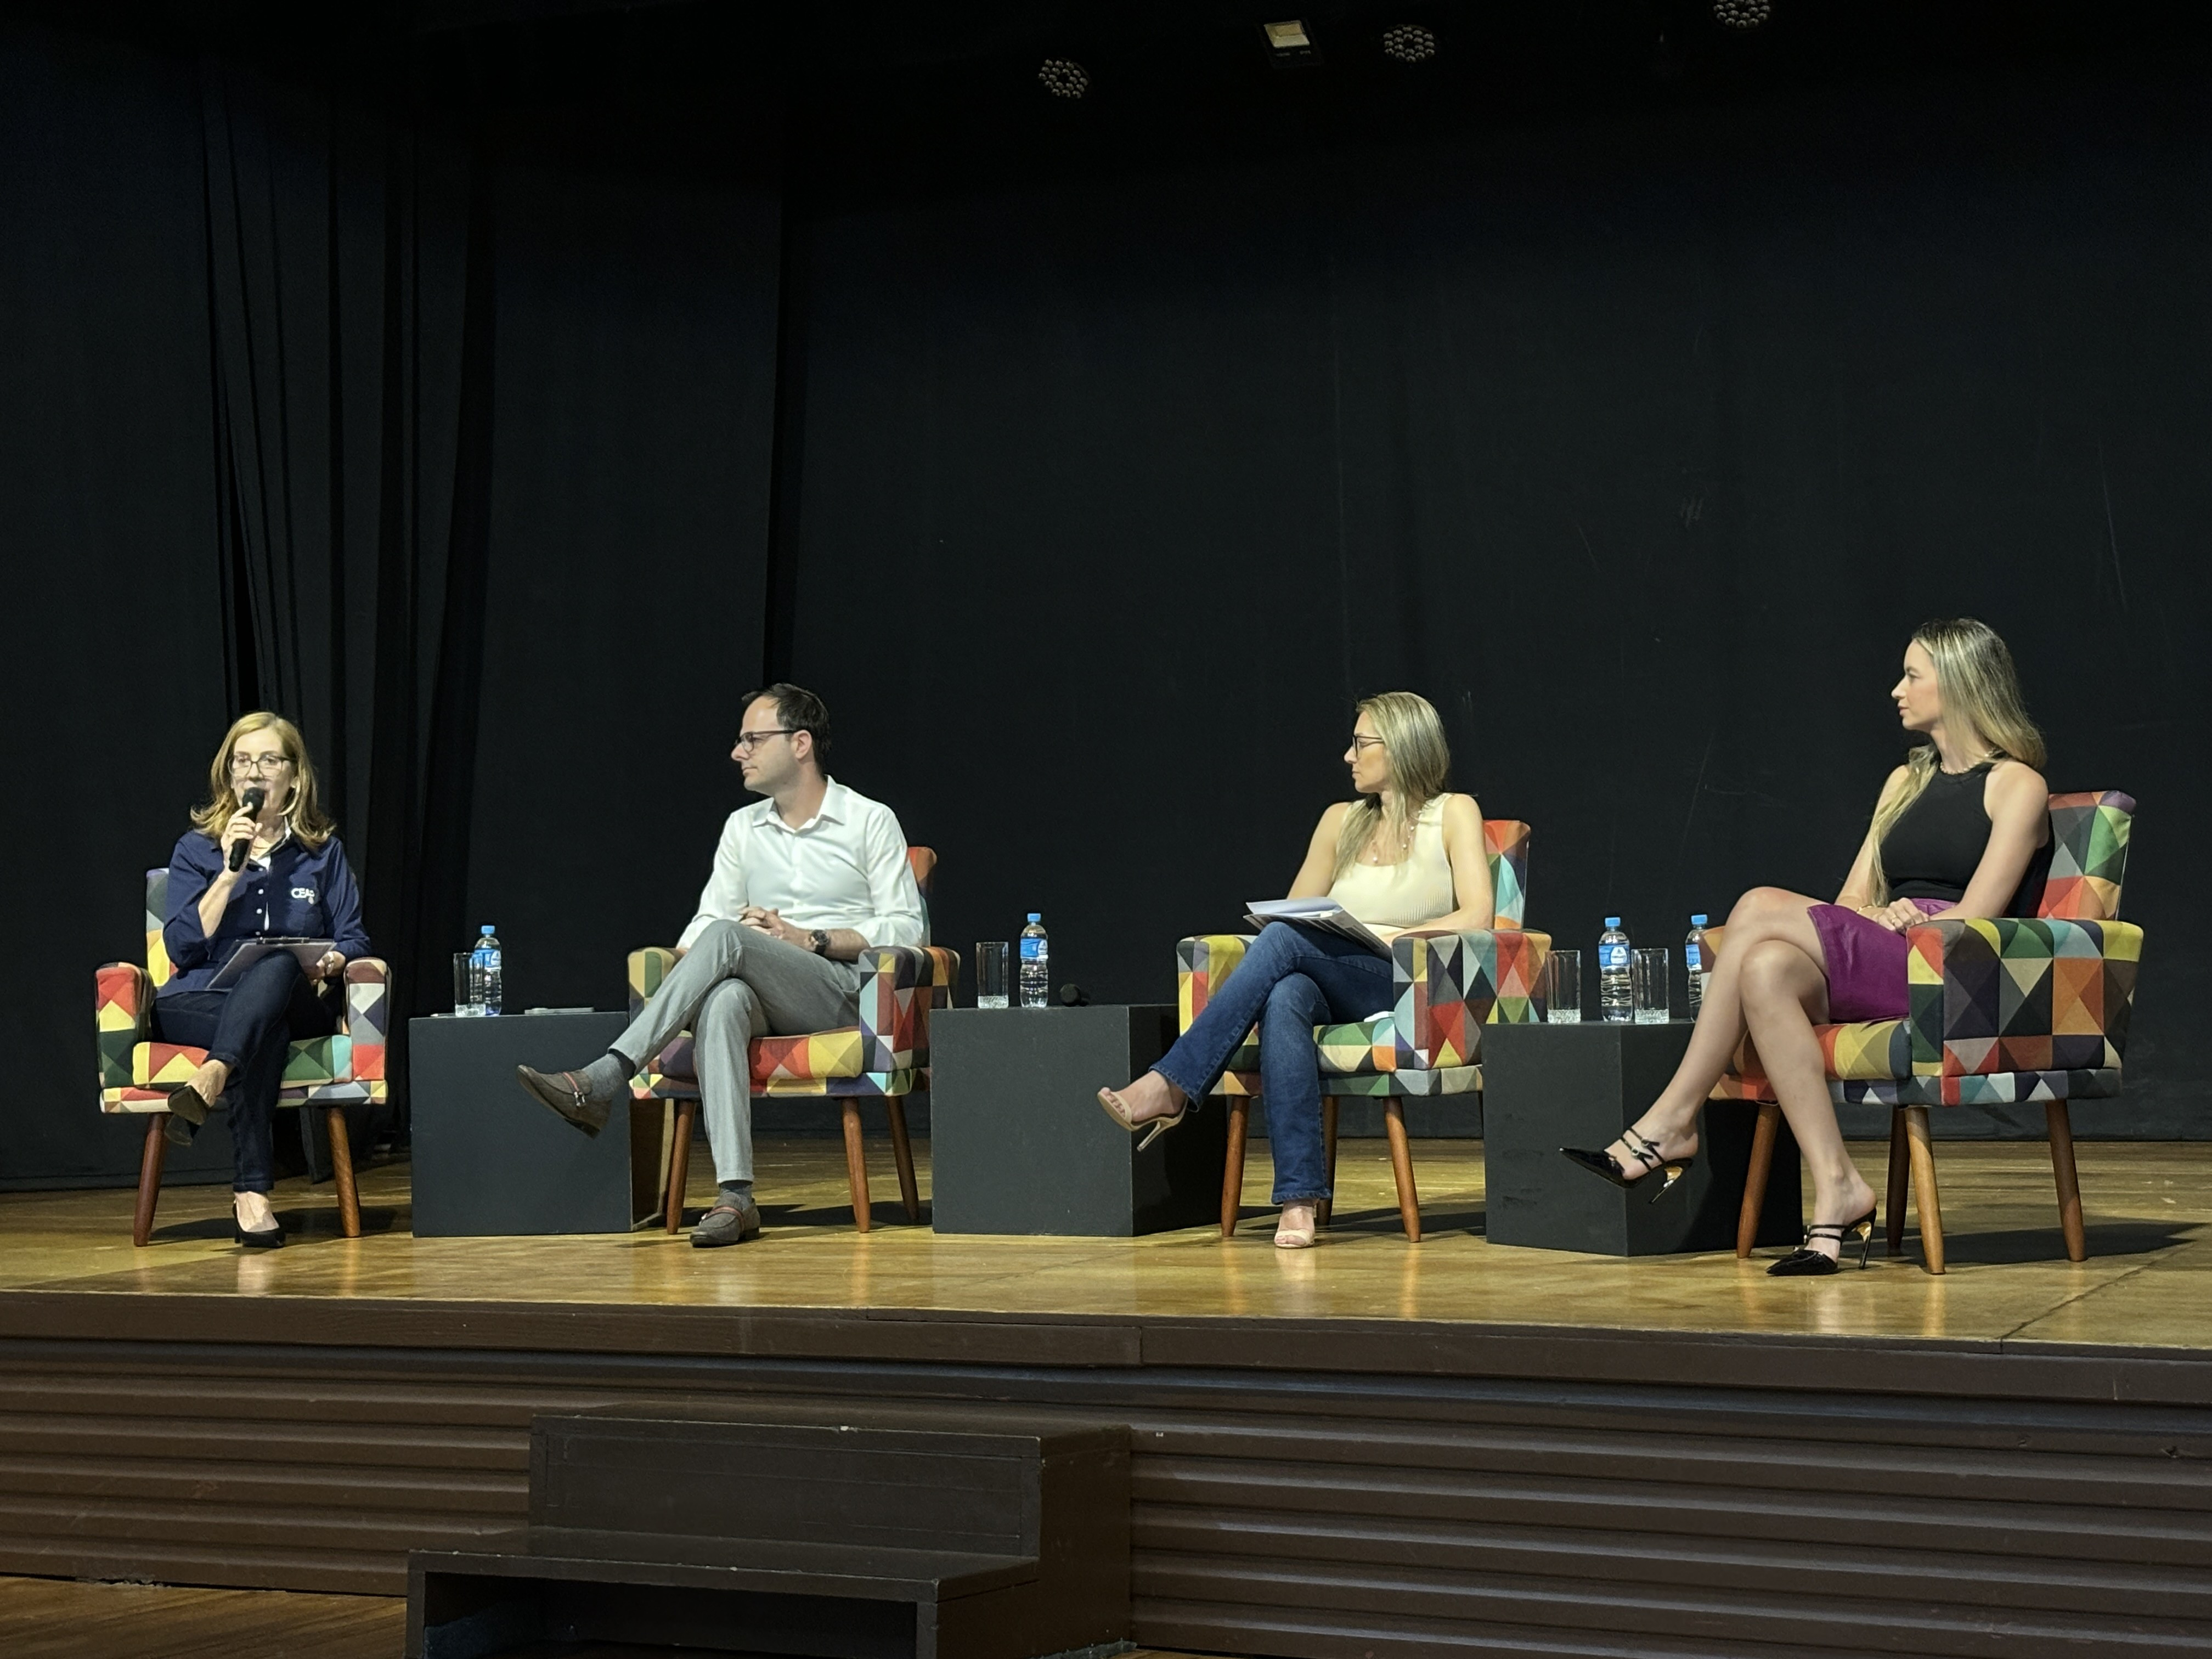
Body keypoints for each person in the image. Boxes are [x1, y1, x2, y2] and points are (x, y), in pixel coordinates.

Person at [1561, 618, 2051, 1276]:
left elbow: (1978, 917)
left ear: (1960, 684)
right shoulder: (1904, 783)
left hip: (1952, 969)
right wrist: (1879, 914)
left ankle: (1672, 1120)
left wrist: (1907, 924)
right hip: (1886, 945)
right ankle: (1838, 1185)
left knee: (1757, 905)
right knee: (1764, 968)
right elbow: (1849, 899)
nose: (1897, 690)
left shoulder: (2017, 785)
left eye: (1912, 675)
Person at [517, 684, 925, 1248]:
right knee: (723, 998)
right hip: (763, 990)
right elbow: (707, 920)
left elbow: (908, 929)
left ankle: (606, 1078)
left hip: (844, 993)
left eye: (752, 739)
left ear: (800, 743)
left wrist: (811, 938)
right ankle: (736, 1197)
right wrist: (694, 974)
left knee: (730, 938)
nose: (738, 752)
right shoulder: (742, 827)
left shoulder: (869, 820)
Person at [1097, 692, 1495, 1249]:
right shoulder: (1340, 821)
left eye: (1361, 744)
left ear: (1402, 746)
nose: (1348, 756)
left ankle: (1173, 1083)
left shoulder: (1453, 813)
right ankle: (1298, 1200)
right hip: (1339, 973)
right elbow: (1292, 915)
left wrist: (1394, 938)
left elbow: (1478, 914)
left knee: (1284, 947)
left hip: (1411, 983)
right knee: (1285, 993)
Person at [153, 713, 370, 1248]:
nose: (254, 772)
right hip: (203, 999)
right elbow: (180, 948)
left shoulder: (322, 853)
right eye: (243, 761)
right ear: (228, 775)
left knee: (275, 965)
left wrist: (333, 962)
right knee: (262, 1032)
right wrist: (230, 872)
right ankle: (251, 1195)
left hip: (295, 997)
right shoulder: (197, 850)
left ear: (293, 777)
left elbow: (355, 939)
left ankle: (212, 1075)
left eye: (269, 760)